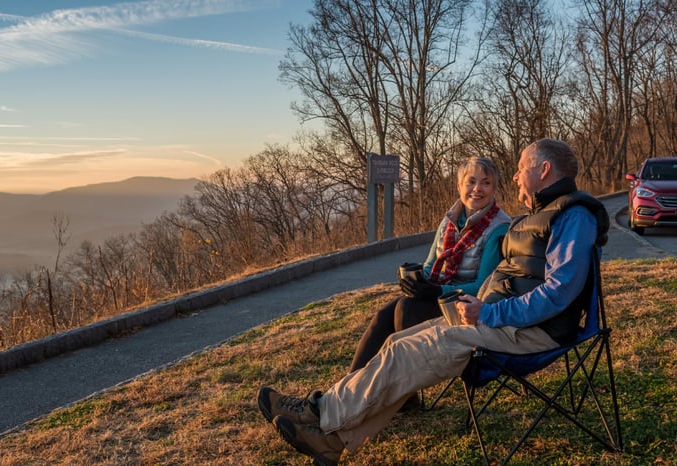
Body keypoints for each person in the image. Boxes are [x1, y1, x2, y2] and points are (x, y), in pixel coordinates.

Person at [256, 138, 610, 466]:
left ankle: (319, 414)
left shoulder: (573, 216)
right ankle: (329, 437)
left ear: (544, 170)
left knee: (410, 350)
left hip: (530, 332)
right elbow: (511, 276)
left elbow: (558, 293)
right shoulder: (541, 213)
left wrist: (488, 311)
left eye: (521, 166)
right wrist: (475, 303)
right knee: (397, 341)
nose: (516, 174)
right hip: (498, 321)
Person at [349, 156, 511, 382]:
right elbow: (429, 266)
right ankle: (348, 387)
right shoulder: (449, 221)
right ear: (459, 185)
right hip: (442, 293)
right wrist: (413, 278)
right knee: (383, 316)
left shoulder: (499, 227)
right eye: (471, 181)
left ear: (494, 188)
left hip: (468, 308)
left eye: (486, 182)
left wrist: (437, 291)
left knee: (407, 308)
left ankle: (403, 392)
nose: (477, 189)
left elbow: (484, 286)